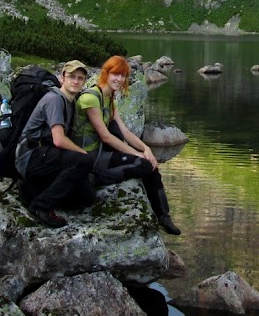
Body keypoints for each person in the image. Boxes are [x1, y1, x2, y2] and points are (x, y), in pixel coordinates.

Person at [76, 55, 181, 235]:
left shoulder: (110, 99)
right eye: (115, 74)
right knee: (144, 164)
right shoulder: (91, 98)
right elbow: (106, 137)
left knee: (151, 164)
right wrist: (137, 155)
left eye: (123, 76)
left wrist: (146, 149)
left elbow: (125, 132)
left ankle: (163, 215)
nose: (119, 79)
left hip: (102, 153)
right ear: (106, 74)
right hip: (89, 156)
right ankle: (100, 177)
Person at [15, 60, 95, 228]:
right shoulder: (54, 99)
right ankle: (41, 206)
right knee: (84, 161)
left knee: (86, 197)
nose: (76, 81)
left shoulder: (71, 101)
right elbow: (59, 139)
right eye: (72, 77)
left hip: (45, 154)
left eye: (80, 78)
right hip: (30, 156)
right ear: (62, 78)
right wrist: (84, 155)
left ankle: (31, 190)